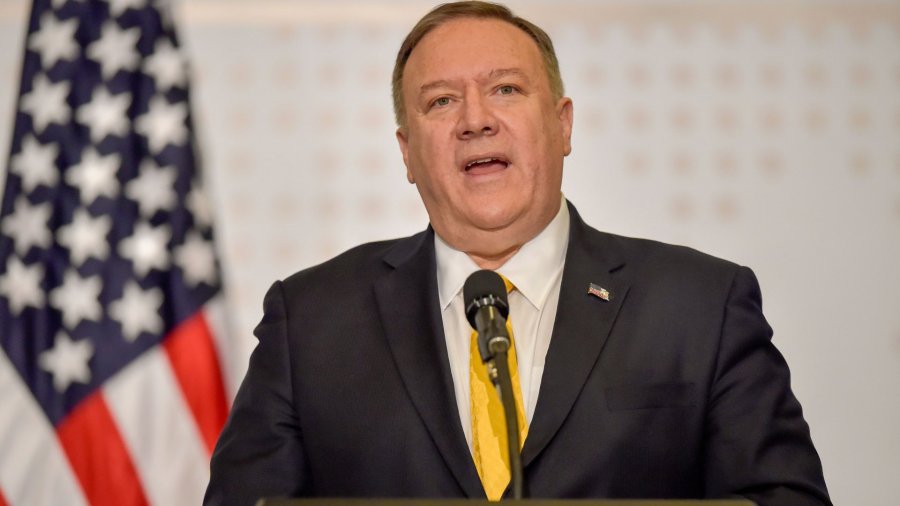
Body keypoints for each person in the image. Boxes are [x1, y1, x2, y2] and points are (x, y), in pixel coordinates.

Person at [205, 2, 830, 505]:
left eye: (505, 89)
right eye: (441, 101)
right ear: (406, 152)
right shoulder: (313, 319)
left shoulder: (699, 306)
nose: (475, 119)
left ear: (562, 125)